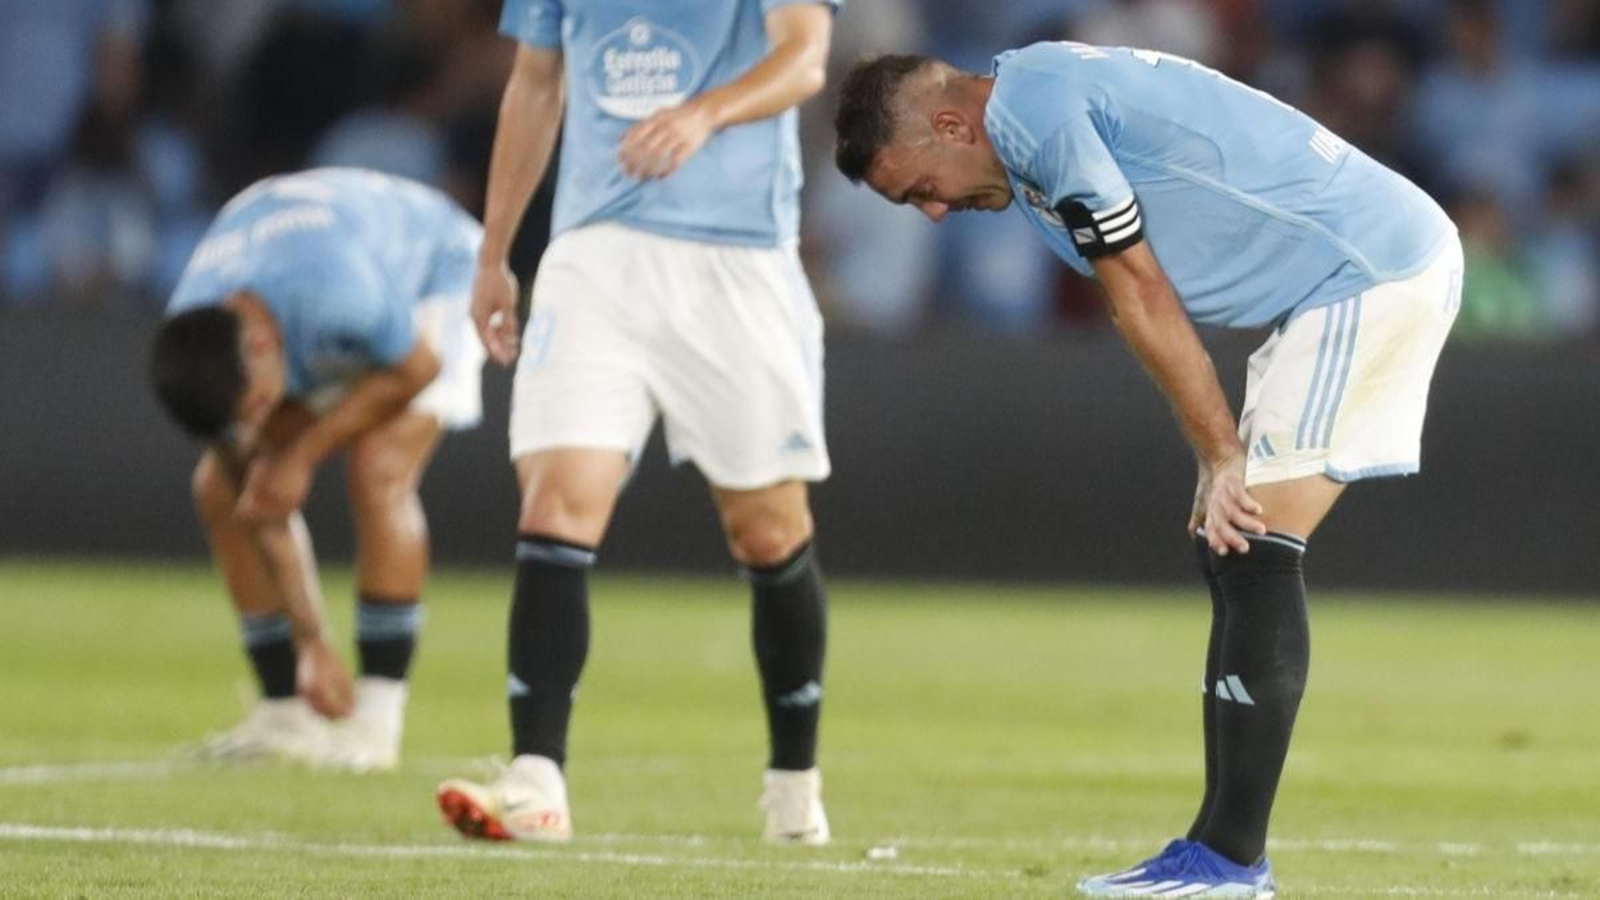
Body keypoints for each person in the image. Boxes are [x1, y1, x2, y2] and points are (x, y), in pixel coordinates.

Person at [833, 43, 1461, 897]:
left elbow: (1139, 287)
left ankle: (1228, 863)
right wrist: (1215, 455)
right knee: (1235, 542)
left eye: (920, 190)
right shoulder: (1029, 110)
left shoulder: (1034, 114)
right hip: (1338, 281)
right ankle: (1217, 853)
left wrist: (1222, 455)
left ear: (950, 125)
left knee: (1254, 541)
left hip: (1367, 272)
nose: (936, 214)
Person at [433, 0, 840, 845]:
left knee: (768, 530)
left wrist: (705, 112)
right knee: (556, 502)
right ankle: (536, 780)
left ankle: (793, 782)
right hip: (595, 254)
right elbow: (536, 82)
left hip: (737, 258)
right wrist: (494, 252)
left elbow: (805, 58)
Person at [150, 167, 487, 771]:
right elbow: (263, 503)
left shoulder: (338, 291)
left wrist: (301, 455)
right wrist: (313, 642)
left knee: (378, 469)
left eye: (259, 405)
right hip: (321, 290)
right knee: (220, 488)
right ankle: (285, 715)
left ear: (260, 347)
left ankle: (376, 722)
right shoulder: (197, 332)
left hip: (433, 273)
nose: (258, 422)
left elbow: (417, 369)